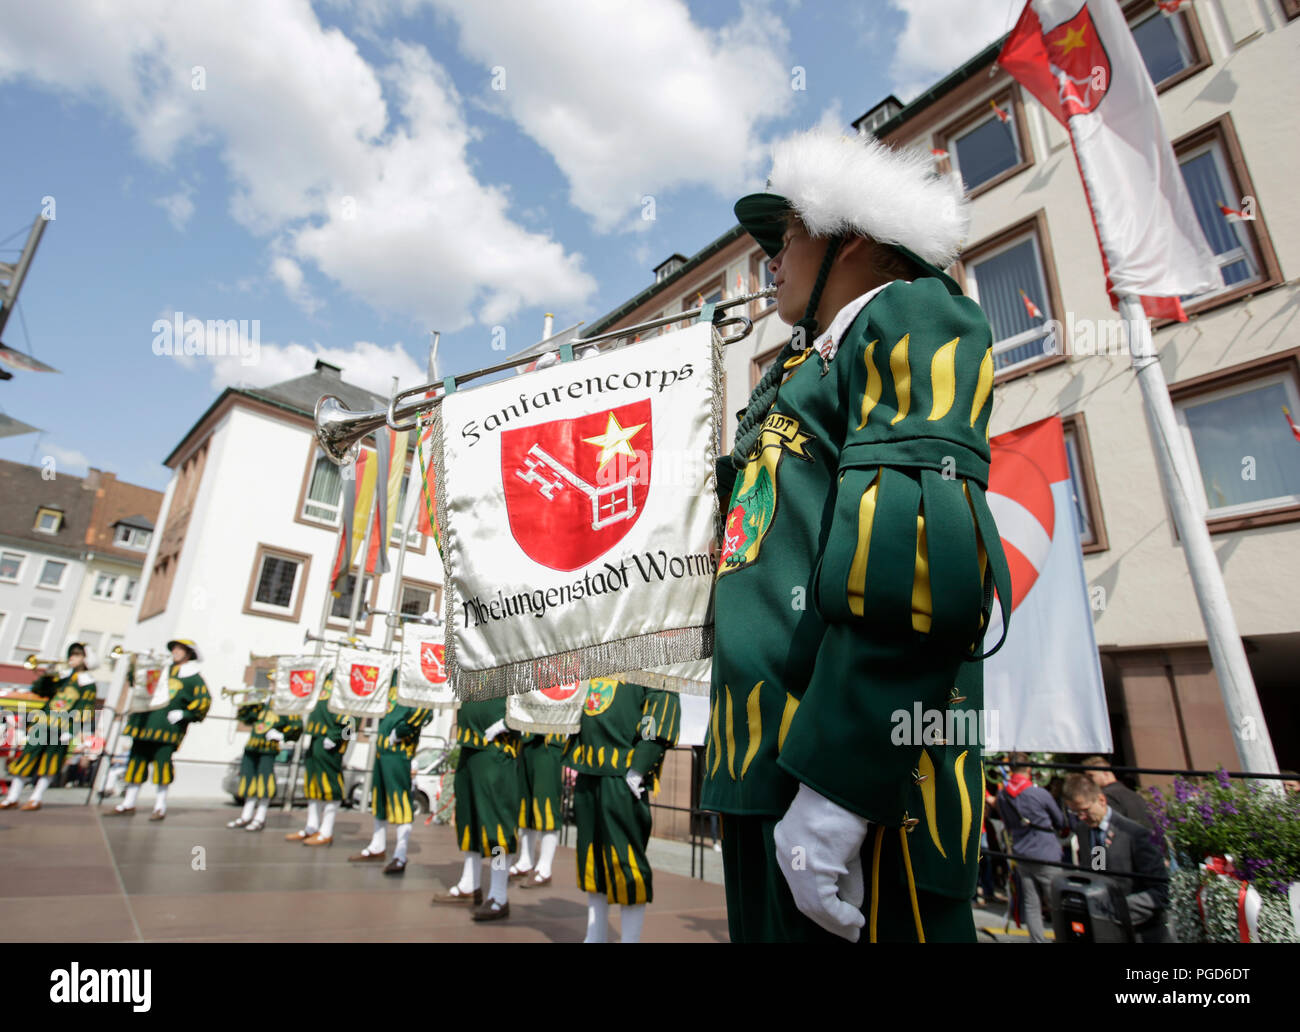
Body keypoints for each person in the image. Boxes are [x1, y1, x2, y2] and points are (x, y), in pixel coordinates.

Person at [706, 128, 1011, 943]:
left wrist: (840, 787)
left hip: (850, 773)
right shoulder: (801, 367)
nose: (770, 257)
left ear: (861, 239)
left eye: (789, 233)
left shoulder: (911, 313)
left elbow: (920, 552)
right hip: (762, 764)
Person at [563, 676, 680, 944]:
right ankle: (595, 934)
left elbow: (662, 710)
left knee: (626, 860)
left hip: (623, 774)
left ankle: (630, 939)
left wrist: (640, 765)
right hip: (589, 770)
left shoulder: (653, 660)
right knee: (591, 856)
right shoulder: (596, 657)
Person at [431, 697, 519, 921]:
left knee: (497, 827)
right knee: (468, 819)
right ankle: (470, 884)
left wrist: (507, 724)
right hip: (470, 743)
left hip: (496, 747)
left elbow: (536, 697)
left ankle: (498, 894)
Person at [107, 639, 211, 820]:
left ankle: (160, 806)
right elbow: (138, 684)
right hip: (145, 724)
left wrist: (185, 714)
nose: (176, 652)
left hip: (167, 729)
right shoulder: (161, 669)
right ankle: (128, 802)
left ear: (188, 654)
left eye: (180, 649)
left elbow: (204, 701)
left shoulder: (193, 676)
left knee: (162, 765)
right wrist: (139, 663)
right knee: (136, 762)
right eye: (175, 649)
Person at [1062, 773, 1169, 942]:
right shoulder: (1085, 830)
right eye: (1075, 813)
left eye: (1084, 810)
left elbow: (1160, 892)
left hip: (1141, 932)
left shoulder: (1135, 834)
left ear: (1101, 800)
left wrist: (1117, 907)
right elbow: (1098, 871)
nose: (1081, 818)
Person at [1, 643, 98, 811]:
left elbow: (85, 708)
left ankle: (36, 798)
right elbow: (40, 690)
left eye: (76, 655)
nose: (71, 658)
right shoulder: (63, 677)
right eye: (71, 654)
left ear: (85, 659)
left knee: (51, 762)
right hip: (44, 722)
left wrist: (71, 730)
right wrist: (48, 675)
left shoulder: (88, 683)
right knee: (27, 757)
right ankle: (12, 797)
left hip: (62, 727)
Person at [348, 683, 431, 874]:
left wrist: (400, 732)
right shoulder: (396, 677)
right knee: (380, 799)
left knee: (400, 800)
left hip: (398, 752)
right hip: (382, 749)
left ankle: (400, 855)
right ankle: (378, 846)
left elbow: (425, 711)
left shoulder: (420, 676)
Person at [995, 755, 1067, 943]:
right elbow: (1059, 820)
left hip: (1021, 851)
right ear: (1028, 770)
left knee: (1030, 902)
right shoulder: (1038, 793)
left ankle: (1037, 940)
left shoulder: (1003, 794)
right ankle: (1063, 937)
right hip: (1045, 852)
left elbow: (1005, 821)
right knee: (1055, 902)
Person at [286, 673, 355, 847]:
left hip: (331, 739)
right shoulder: (328, 675)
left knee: (330, 785)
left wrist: (338, 736)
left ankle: (326, 830)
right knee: (313, 783)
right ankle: (312, 826)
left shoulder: (351, 676)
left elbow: (353, 721)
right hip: (317, 735)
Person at [227, 696, 301, 832]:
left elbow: (296, 726)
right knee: (249, 780)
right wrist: (248, 704)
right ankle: (246, 815)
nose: (271, 684)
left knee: (264, 781)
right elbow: (246, 718)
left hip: (267, 748)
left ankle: (260, 817)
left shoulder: (284, 703)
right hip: (252, 747)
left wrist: (282, 735)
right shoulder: (262, 702)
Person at [510, 731, 568, 889]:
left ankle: (544, 867)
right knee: (526, 805)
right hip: (527, 741)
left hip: (549, 742)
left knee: (546, 804)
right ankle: (525, 860)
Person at [1080, 756, 1154, 828]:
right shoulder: (1133, 794)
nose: (1088, 780)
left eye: (1091, 776)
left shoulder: (1106, 796)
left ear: (1105, 772)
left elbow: (1114, 827)